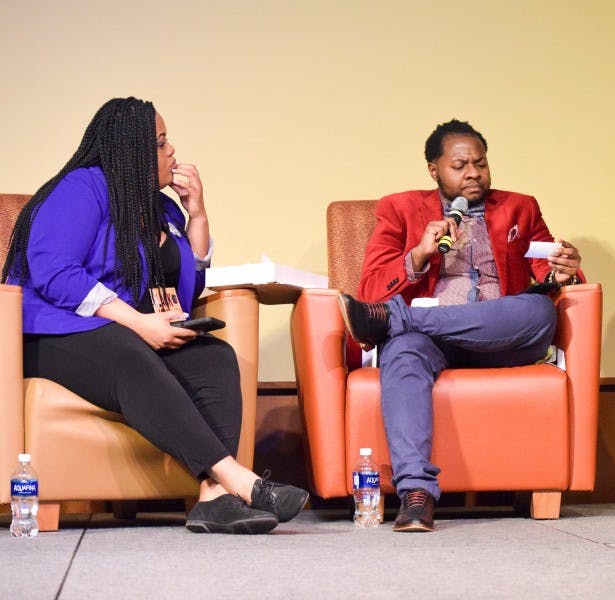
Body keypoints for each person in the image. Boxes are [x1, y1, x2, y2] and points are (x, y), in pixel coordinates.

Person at [2, 97, 308, 534]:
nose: (172, 151)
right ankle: (240, 480)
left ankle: (212, 498)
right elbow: (54, 270)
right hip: (50, 333)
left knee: (214, 357)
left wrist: (197, 214)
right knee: (127, 351)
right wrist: (139, 324)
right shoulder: (82, 187)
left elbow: (185, 289)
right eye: (160, 142)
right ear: (130, 150)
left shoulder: (159, 207)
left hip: (120, 332)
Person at [338, 119, 583, 532]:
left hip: (501, 336)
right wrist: (417, 255)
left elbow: (546, 274)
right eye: (460, 165)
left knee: (538, 312)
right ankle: (416, 495)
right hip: (433, 344)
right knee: (402, 350)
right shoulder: (399, 209)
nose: (473, 173)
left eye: (481, 164)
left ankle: (399, 321)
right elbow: (371, 289)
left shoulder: (520, 207)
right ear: (434, 169)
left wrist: (566, 272)